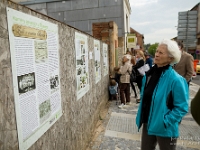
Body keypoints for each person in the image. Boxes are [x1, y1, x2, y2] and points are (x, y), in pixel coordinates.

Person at [136, 39, 189, 150]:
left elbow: (182, 107)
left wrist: (165, 121)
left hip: (165, 128)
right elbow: (145, 96)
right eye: (157, 51)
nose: (156, 54)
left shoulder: (176, 80)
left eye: (161, 53)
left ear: (171, 57)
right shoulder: (149, 75)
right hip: (148, 122)